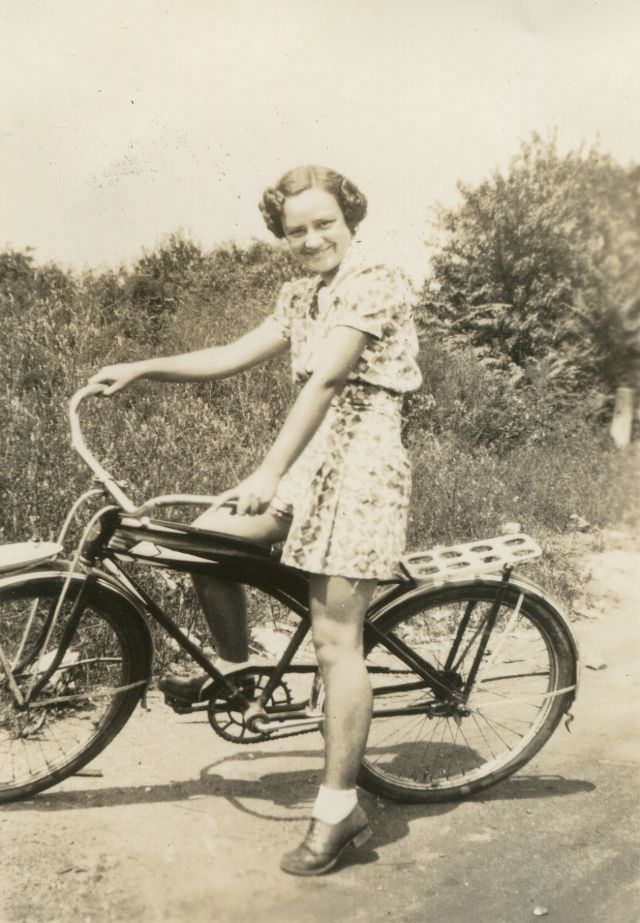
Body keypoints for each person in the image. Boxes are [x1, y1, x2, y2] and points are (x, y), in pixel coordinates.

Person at [90, 165, 422, 875]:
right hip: (313, 460)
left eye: (324, 223)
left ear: (350, 218)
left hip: (363, 464)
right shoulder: (301, 293)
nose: (311, 239)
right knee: (208, 539)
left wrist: (269, 471)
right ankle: (242, 670)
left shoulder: (376, 277)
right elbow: (232, 354)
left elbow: (331, 379)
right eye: (296, 230)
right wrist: (142, 365)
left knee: (338, 642)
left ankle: (340, 808)